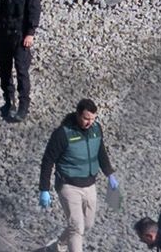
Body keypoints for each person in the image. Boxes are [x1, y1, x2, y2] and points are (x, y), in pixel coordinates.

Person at [38, 98, 118, 252]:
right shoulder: (62, 134)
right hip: (68, 185)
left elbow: (101, 152)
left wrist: (109, 174)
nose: (89, 122)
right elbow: (47, 161)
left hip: (89, 185)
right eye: (86, 118)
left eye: (93, 119)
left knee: (87, 224)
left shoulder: (96, 130)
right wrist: (44, 189)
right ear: (78, 115)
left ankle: (57, 247)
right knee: (76, 228)